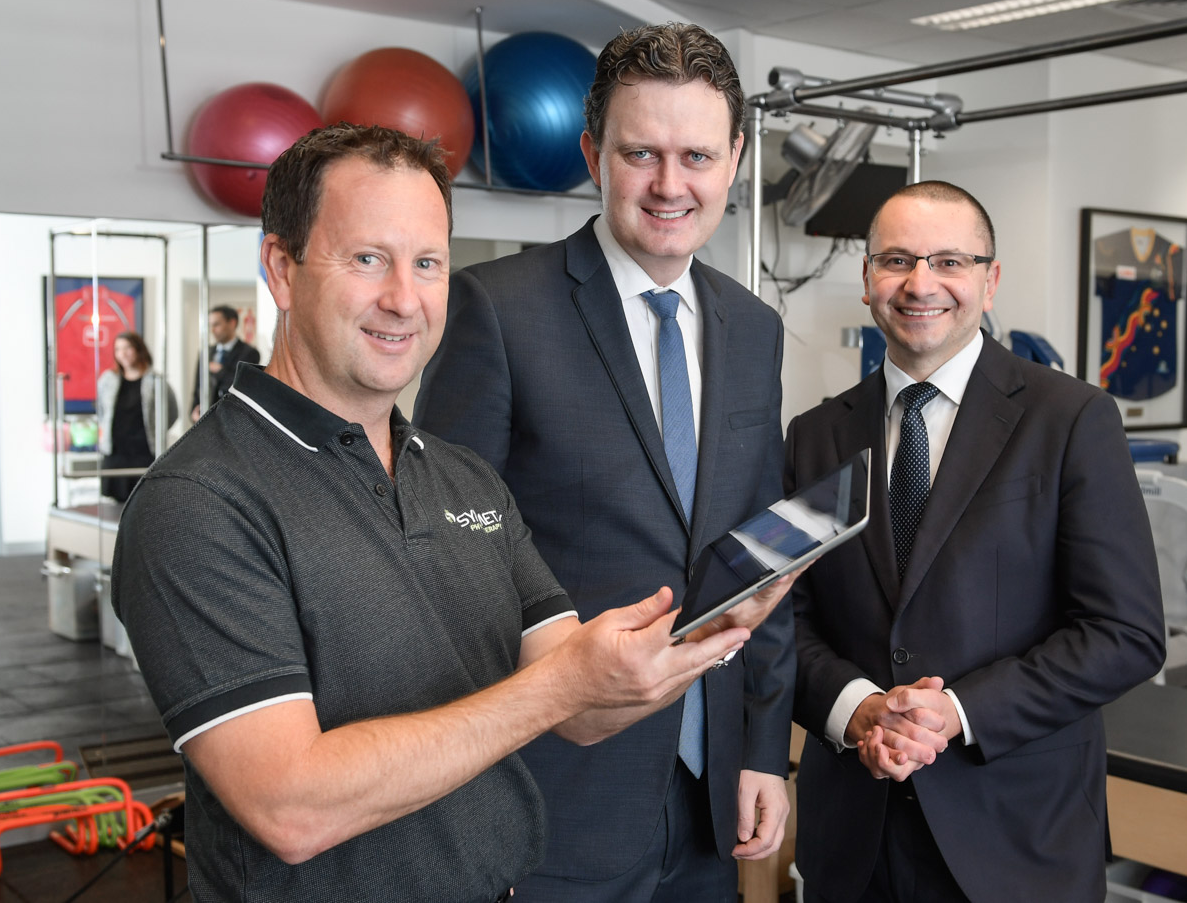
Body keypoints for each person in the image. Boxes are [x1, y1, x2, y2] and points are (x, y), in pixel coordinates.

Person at [111, 123, 788, 903]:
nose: (404, 299)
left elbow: (582, 708)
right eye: (368, 259)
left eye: (427, 263)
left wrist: (707, 634)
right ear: (282, 268)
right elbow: (289, 805)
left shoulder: (464, 479)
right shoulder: (199, 502)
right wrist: (559, 688)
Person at [414, 23, 795, 902]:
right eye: (641, 153)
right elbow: (446, 560)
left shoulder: (755, 329)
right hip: (555, 795)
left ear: (735, 161)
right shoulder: (497, 310)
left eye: (697, 156)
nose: (670, 184)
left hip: (712, 795)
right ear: (593, 154)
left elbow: (764, 552)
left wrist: (764, 748)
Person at [783, 180, 1167, 903]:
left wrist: (958, 712)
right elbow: (785, 621)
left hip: (1016, 839)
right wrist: (858, 707)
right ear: (867, 279)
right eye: (897, 260)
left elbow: (1125, 632)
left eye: (949, 261)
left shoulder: (1071, 419)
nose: (920, 283)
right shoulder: (815, 435)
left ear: (990, 282)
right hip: (855, 842)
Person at [95, 330, 177, 502]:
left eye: (127, 348)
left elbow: (171, 413)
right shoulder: (108, 380)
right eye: (118, 349)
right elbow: (101, 411)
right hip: (116, 454)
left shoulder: (156, 380)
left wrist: (156, 432)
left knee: (145, 502)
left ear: (139, 349)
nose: (122, 353)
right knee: (115, 506)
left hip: (144, 453)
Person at [189, 304, 260, 421]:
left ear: (232, 323)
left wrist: (220, 371)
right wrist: (193, 413)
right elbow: (198, 386)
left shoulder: (249, 353)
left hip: (233, 420)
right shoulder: (206, 353)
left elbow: (244, 387)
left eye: (216, 324)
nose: (212, 330)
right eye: (210, 325)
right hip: (206, 421)